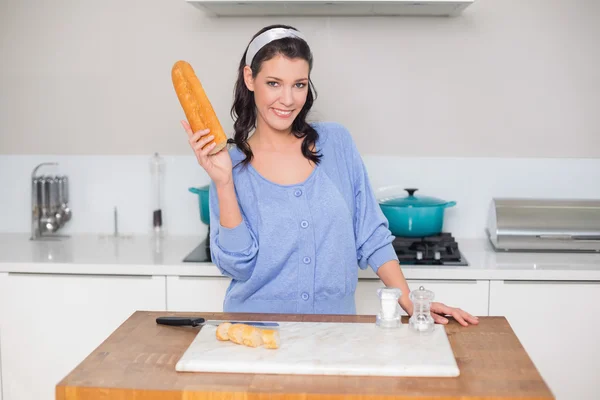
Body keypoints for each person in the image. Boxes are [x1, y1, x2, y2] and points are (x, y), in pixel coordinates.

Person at [182, 24, 478, 327]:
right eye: (274, 83)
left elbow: (371, 234)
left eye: (298, 84)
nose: (287, 99)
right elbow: (237, 265)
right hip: (255, 337)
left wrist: (413, 304)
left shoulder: (335, 143)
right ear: (250, 78)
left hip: (335, 334)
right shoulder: (227, 162)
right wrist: (224, 183)